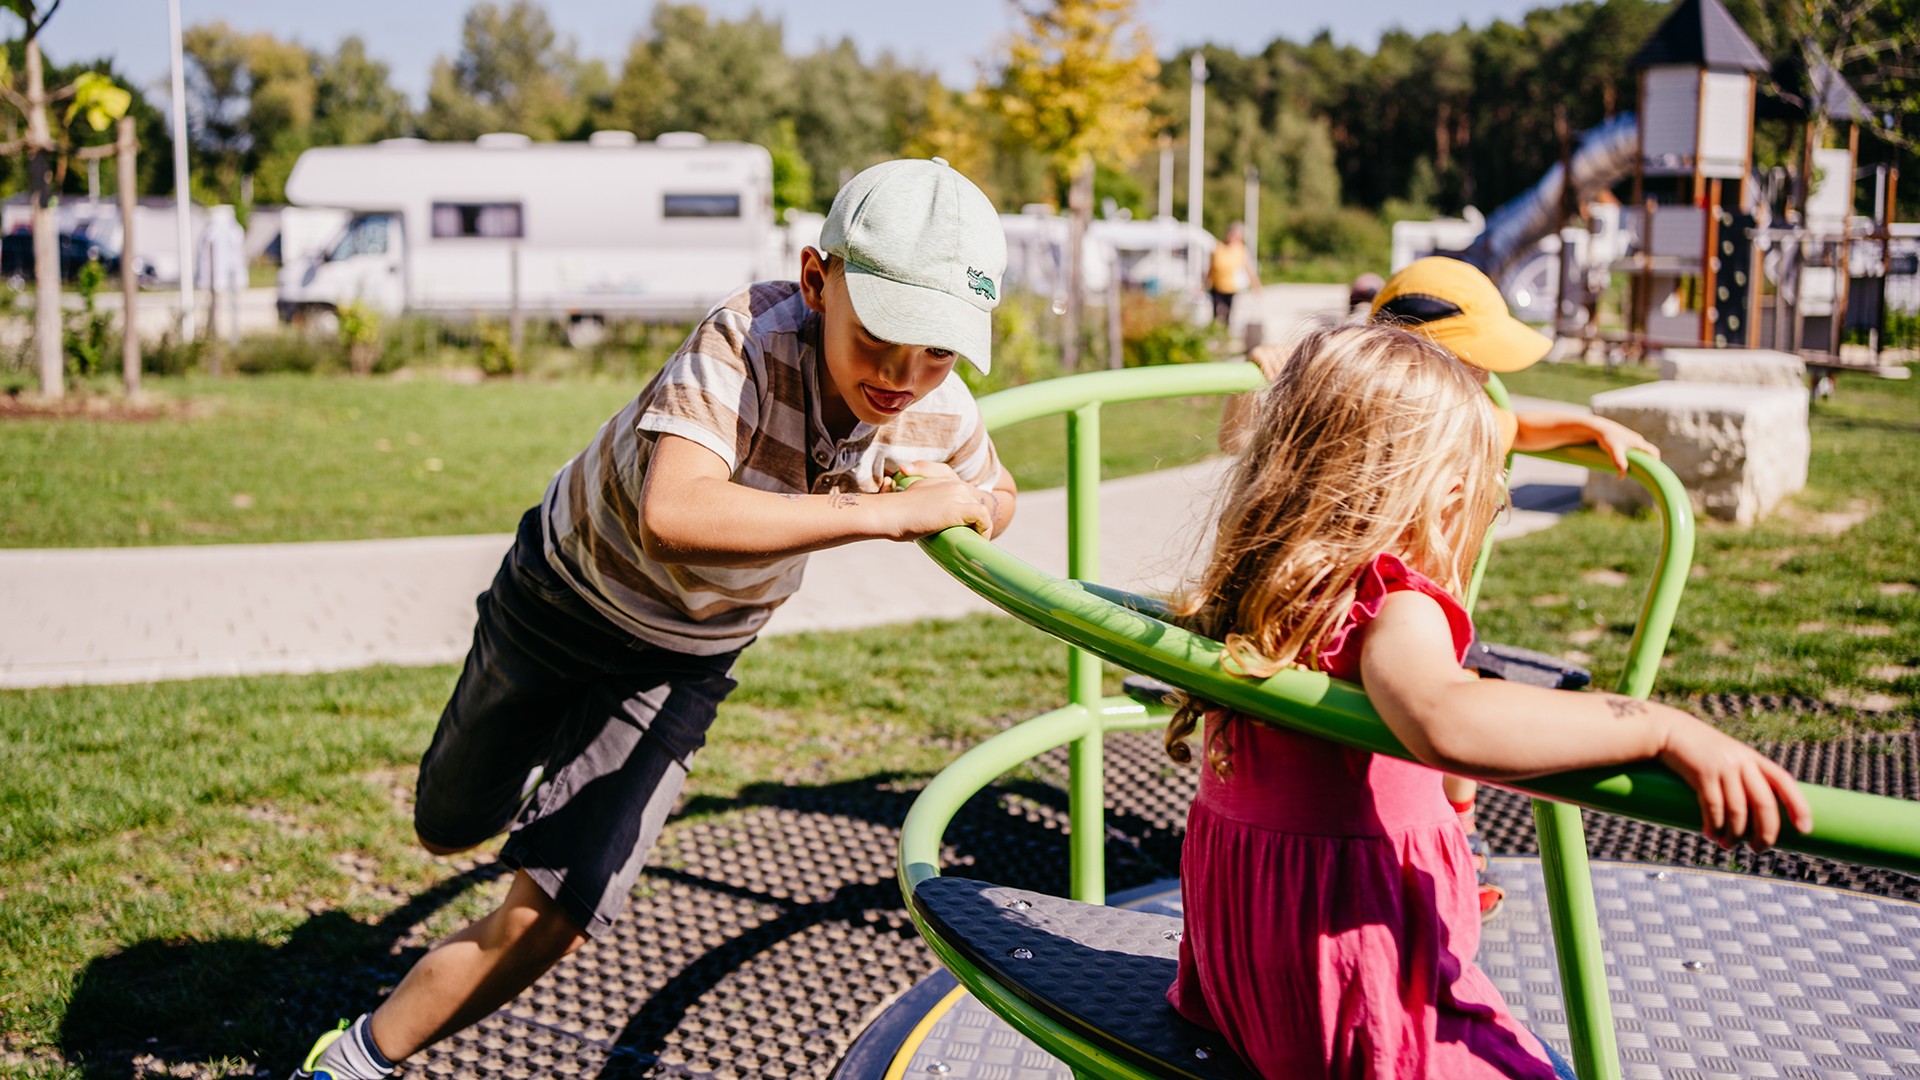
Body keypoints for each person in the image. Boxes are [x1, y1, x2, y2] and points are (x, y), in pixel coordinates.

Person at [289, 158, 1019, 1080]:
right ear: (815, 280)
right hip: (561, 595)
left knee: (560, 909)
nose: (905, 376)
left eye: (940, 349)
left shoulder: (932, 408)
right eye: (883, 336)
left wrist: (970, 505)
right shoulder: (746, 337)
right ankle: (509, 769)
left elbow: (998, 488)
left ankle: (353, 1060)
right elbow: (675, 518)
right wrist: (875, 513)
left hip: (683, 656)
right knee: (449, 824)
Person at [1163, 325, 1810, 1080]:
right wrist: (1657, 727)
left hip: (1246, 978)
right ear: (1447, 502)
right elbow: (1446, 719)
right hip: (1360, 1000)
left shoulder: (1260, 592)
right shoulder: (1393, 600)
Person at [1215, 257, 1662, 920]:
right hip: (1387, 621)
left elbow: (1514, 427)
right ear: (1411, 362)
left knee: (1438, 705)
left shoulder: (1458, 413)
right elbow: (1245, 442)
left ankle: (1451, 833)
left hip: (1404, 629)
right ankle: (1423, 848)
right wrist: (1266, 378)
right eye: (1474, 366)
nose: (1485, 386)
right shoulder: (1379, 435)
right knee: (1414, 719)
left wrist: (1584, 426)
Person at [1207, 221, 1259, 326]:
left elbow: (1249, 269)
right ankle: (1216, 331)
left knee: (1227, 313)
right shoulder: (1218, 247)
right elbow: (1211, 267)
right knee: (1217, 310)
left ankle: (1225, 332)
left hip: (1231, 287)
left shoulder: (1241, 250)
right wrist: (1205, 282)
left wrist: (1256, 285)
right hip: (1217, 286)